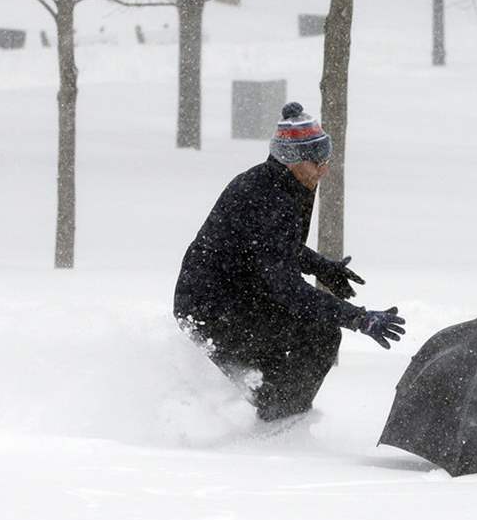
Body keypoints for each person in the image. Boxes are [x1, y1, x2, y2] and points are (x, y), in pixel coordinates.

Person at [174, 102, 406, 422]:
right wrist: (357, 318)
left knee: (299, 344)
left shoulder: (284, 183)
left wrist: (321, 266)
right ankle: (279, 423)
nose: (323, 168)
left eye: (326, 159)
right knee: (318, 333)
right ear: (291, 160)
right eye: (316, 161)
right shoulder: (270, 197)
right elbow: (287, 289)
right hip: (212, 307)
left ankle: (275, 416)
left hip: (237, 294)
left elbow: (272, 246)